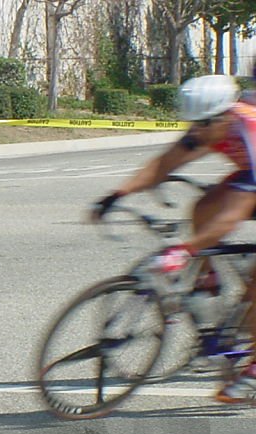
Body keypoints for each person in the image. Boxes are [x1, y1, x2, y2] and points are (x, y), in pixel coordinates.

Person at [91, 73, 256, 403]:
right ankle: (208, 279)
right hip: (249, 176)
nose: (194, 133)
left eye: (201, 125)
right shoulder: (209, 124)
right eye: (191, 124)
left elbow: (233, 216)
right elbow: (165, 162)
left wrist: (184, 250)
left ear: (224, 116)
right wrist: (117, 194)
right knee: (203, 207)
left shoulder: (250, 132)